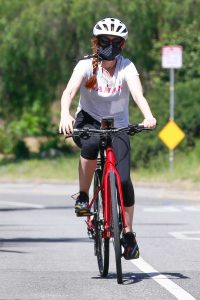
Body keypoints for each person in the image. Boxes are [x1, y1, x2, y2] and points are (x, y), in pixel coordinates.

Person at [59, 18, 156, 260]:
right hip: (89, 120)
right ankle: (83, 196)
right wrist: (64, 113)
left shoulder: (127, 66)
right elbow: (69, 92)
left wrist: (148, 115)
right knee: (90, 144)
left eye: (115, 42)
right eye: (104, 40)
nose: (109, 45)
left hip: (119, 124)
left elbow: (137, 94)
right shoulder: (85, 66)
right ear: (96, 42)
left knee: (123, 179)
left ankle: (129, 234)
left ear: (122, 45)